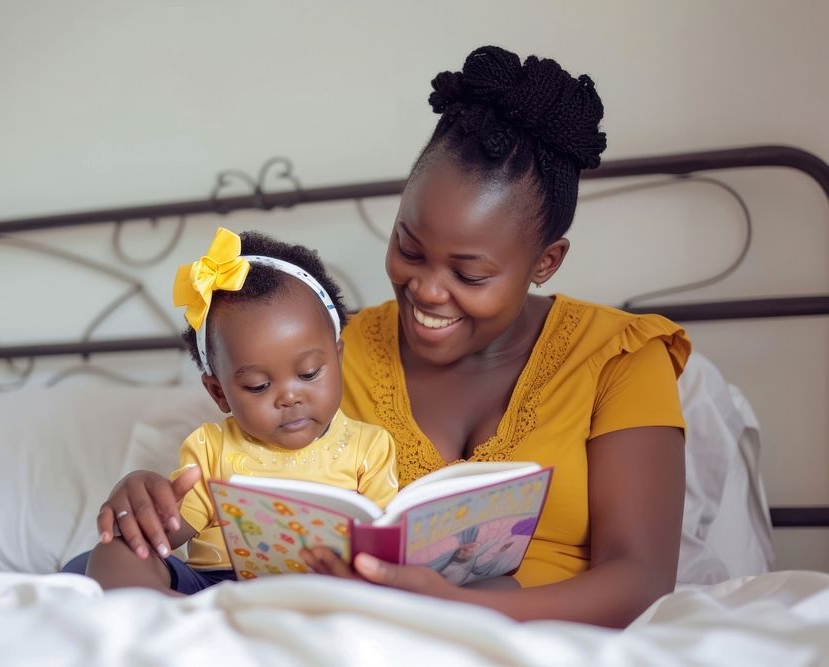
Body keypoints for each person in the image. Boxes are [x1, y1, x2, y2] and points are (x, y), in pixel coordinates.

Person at [94, 45, 691, 626]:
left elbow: (640, 579)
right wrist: (140, 505)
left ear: (546, 262)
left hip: (522, 629)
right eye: (409, 248)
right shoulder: (323, 358)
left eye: (469, 273)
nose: (427, 290)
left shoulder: (620, 357)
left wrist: (455, 609)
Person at [80, 227, 398, 594]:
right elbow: (166, 535)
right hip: (216, 588)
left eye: (309, 373)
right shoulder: (211, 449)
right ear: (219, 393)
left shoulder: (369, 447)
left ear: (339, 360)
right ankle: (171, 617)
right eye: (259, 386)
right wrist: (146, 507)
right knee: (115, 550)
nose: (289, 397)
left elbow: (385, 548)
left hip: (323, 590)